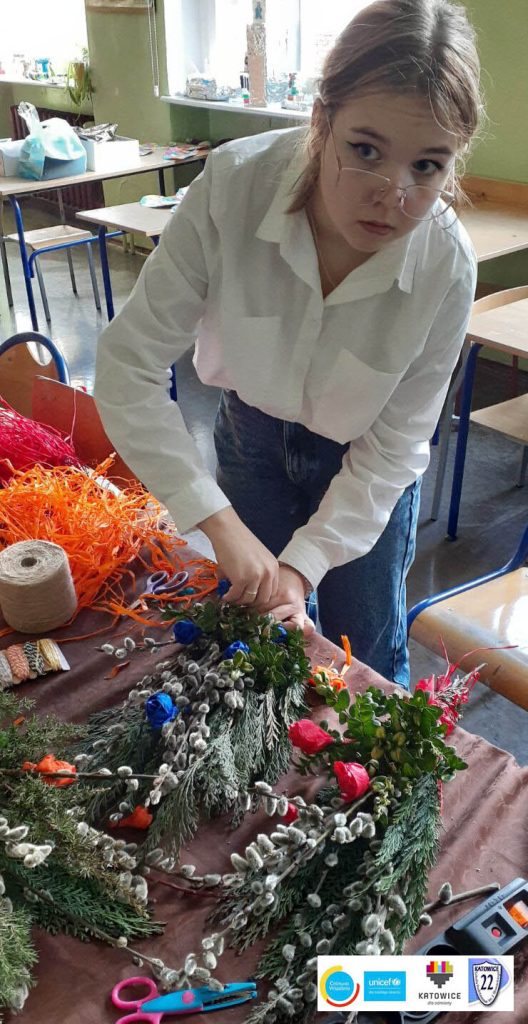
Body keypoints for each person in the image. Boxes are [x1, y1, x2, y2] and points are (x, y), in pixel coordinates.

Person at [94, 0, 483, 687]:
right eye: (365, 150)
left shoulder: (444, 266)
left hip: (364, 466)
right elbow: (128, 366)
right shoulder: (234, 189)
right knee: (250, 645)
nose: (392, 195)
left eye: (427, 165)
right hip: (251, 441)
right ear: (321, 119)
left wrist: (303, 567)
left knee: (365, 658)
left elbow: (395, 446)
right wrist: (216, 522)